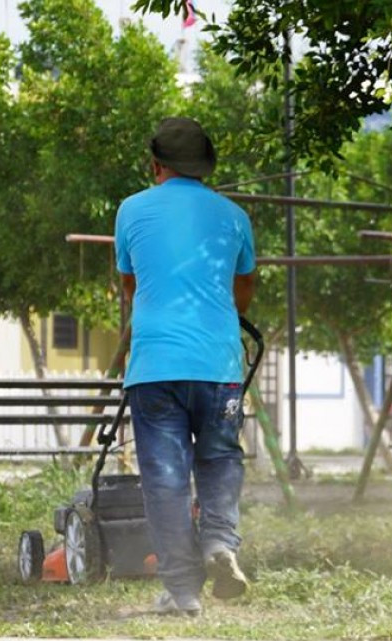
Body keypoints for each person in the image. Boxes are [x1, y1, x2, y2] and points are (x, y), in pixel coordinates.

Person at [114, 117, 256, 616]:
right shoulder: (235, 216)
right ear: (205, 167)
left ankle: (183, 592)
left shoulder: (131, 210)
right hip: (219, 365)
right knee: (220, 458)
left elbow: (132, 286)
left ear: (155, 165)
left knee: (166, 477)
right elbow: (243, 292)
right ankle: (220, 543)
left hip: (154, 365)